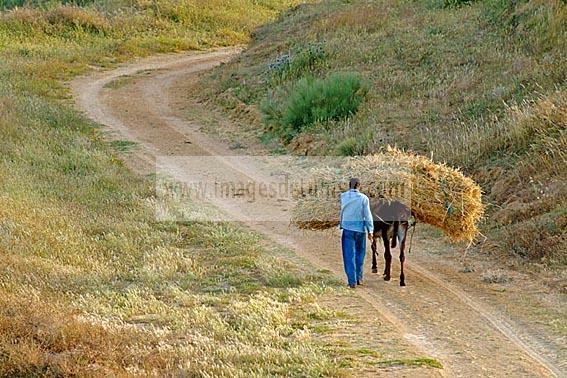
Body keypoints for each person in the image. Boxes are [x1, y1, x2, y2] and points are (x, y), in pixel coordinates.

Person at [339, 178, 374, 288]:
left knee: (349, 255)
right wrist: (370, 231)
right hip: (360, 230)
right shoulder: (364, 198)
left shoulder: (343, 196)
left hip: (348, 230)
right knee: (360, 254)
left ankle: (352, 282)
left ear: (349, 185)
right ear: (359, 186)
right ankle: (359, 278)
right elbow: (368, 215)